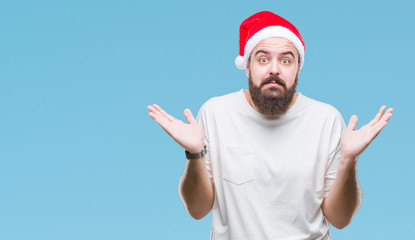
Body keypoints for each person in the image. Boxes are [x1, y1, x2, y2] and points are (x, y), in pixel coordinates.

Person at [147, 11, 393, 240]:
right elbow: (198, 210)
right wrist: (194, 153)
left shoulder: (326, 119)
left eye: (286, 61)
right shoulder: (215, 113)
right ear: (247, 67)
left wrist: (348, 160)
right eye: (263, 59)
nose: (274, 69)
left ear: (298, 70)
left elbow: (340, 219)